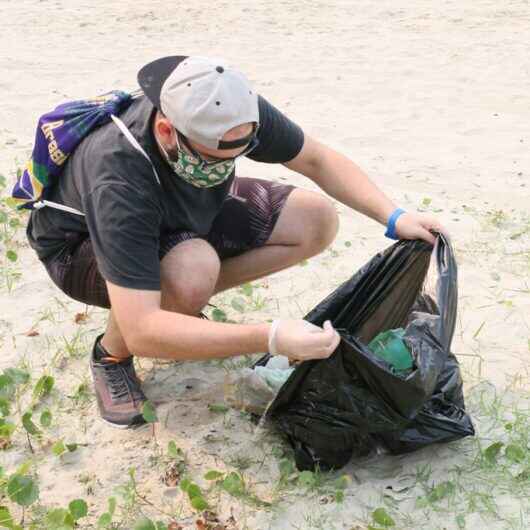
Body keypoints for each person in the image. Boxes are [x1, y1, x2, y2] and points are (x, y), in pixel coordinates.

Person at [26, 55, 445, 428]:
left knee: (315, 220)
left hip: (180, 205)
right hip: (80, 246)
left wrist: (396, 216)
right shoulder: (118, 175)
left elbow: (314, 158)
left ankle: (176, 309)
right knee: (191, 272)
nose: (226, 164)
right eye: (214, 157)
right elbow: (141, 331)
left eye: (237, 154)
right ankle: (109, 356)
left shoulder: (228, 108)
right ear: (167, 129)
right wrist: (271, 336)